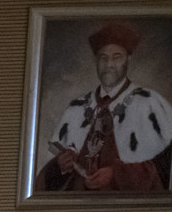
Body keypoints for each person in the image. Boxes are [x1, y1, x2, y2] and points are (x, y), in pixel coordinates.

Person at [38, 20, 172, 192]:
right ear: (96, 61)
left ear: (128, 60)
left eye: (117, 57)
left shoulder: (149, 103)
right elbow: (50, 180)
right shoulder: (78, 107)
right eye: (103, 58)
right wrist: (61, 166)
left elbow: (163, 166)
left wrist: (116, 174)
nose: (109, 64)